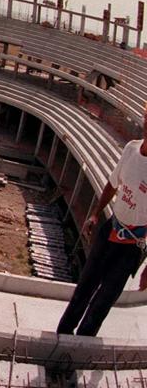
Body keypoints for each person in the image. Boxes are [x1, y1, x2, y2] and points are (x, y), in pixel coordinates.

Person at [56, 102, 147, 336]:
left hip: (131, 246)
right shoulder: (131, 149)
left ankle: (78, 350)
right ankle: (61, 338)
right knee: (83, 289)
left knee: (102, 303)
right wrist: (96, 213)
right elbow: (112, 184)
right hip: (110, 230)